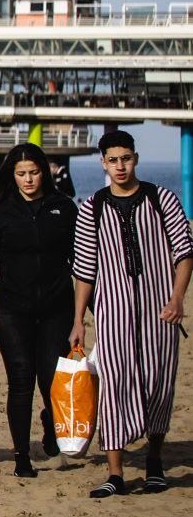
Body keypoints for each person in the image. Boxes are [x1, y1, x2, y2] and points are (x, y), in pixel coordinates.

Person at [69, 130, 192, 498]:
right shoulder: (92, 208)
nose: (120, 166)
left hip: (160, 313)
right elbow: (85, 268)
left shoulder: (162, 198)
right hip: (112, 313)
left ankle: (154, 463)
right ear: (103, 163)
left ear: (135, 159)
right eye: (113, 160)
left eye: (126, 158)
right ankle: (115, 473)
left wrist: (177, 298)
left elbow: (184, 253)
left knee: (158, 386)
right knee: (114, 387)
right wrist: (78, 319)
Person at [0, 142, 78, 478]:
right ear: (12, 176)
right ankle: (22, 456)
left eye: (35, 172)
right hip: (10, 309)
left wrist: (91, 306)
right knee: (22, 377)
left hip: (56, 307)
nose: (29, 180)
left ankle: (51, 425)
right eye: (22, 174)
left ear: (45, 173)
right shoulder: (0, 212)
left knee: (52, 378)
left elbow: (81, 262)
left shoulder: (63, 208)